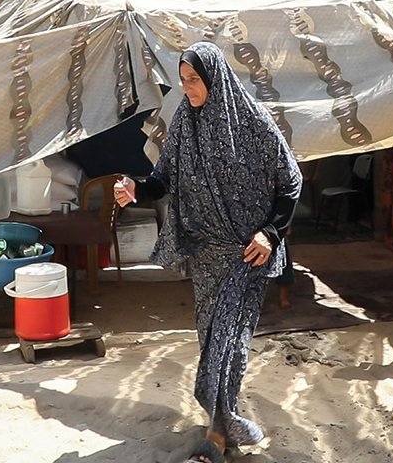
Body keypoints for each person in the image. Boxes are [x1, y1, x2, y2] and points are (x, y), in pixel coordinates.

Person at [113, 42, 301, 463]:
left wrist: (271, 234)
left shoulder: (252, 121)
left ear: (215, 78)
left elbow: (290, 180)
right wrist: (135, 188)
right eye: (183, 80)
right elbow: (163, 179)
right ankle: (227, 421)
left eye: (194, 79)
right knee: (212, 340)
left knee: (228, 343)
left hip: (247, 253)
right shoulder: (185, 120)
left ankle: (216, 436)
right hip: (206, 255)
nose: (188, 88)